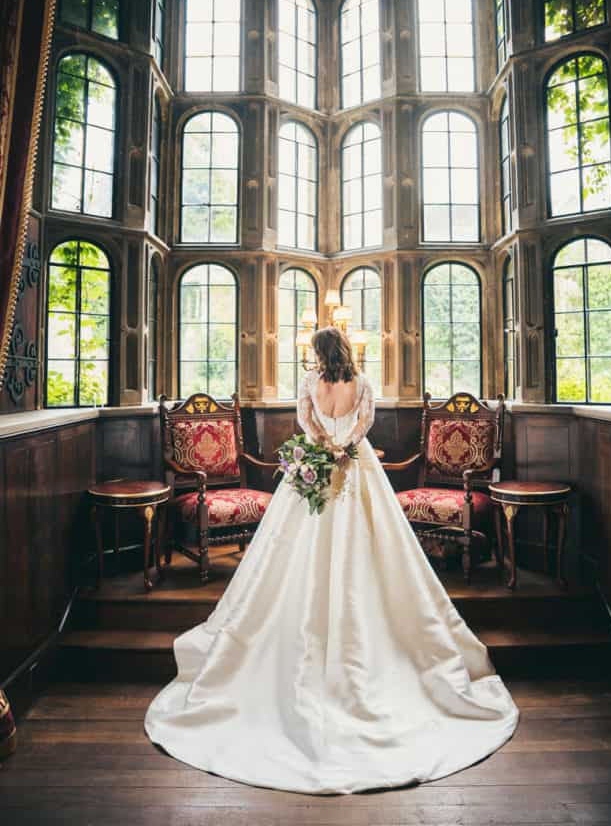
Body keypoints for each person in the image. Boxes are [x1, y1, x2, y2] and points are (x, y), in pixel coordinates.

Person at [144, 326, 519, 794]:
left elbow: (307, 424)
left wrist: (324, 444)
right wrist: (346, 447)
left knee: (290, 550)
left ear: (320, 354)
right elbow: (365, 424)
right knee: (377, 542)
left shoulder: (310, 384)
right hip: (355, 464)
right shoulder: (362, 383)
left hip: (318, 462)